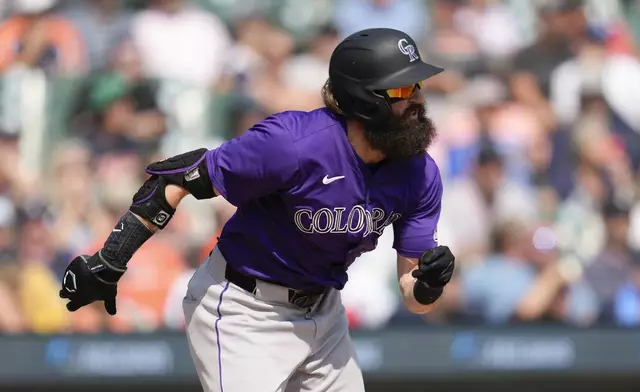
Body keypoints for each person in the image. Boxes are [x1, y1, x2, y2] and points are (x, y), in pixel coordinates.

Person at [58, 28, 456, 392]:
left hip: (325, 313)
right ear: (364, 99)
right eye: (404, 91)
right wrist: (111, 259)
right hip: (242, 310)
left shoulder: (419, 173)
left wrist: (429, 283)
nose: (419, 99)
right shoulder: (292, 144)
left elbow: (415, 297)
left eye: (417, 86)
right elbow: (176, 180)